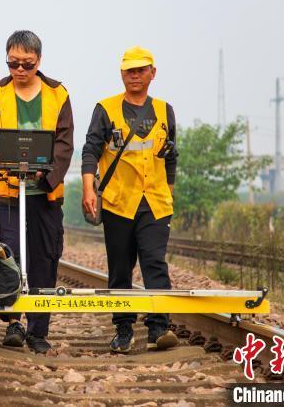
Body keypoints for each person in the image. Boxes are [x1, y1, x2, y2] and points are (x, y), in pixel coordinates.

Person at [0, 30, 73, 354]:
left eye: (27, 64)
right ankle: (14, 321)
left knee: (44, 259)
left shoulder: (58, 94)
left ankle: (38, 331)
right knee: (10, 255)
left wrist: (48, 180)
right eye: (13, 63)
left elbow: (65, 142)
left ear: (38, 61)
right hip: (8, 192)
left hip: (44, 195)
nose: (19, 70)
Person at [81, 46, 179, 353]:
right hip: (118, 202)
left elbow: (171, 156)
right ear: (122, 74)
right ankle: (123, 329)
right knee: (120, 269)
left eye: (140, 70)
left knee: (155, 264)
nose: (134, 76)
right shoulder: (106, 109)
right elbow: (90, 150)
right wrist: (87, 188)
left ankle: (159, 329)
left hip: (155, 203)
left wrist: (169, 196)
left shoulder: (164, 110)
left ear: (152, 72)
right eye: (128, 71)